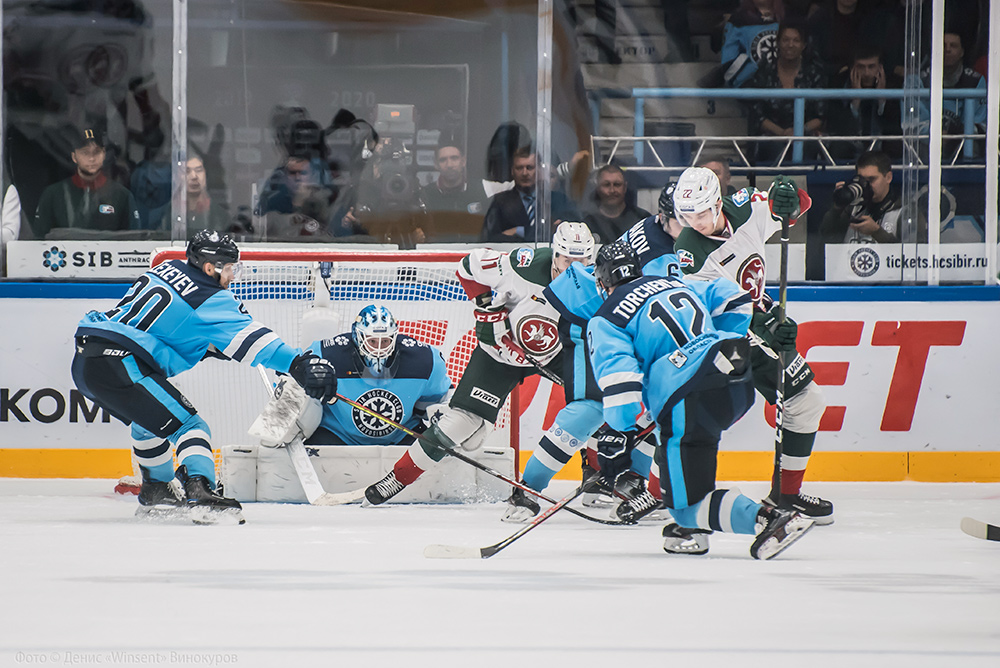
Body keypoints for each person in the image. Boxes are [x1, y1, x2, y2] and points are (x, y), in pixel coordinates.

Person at [70, 230, 338, 524]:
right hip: (121, 361)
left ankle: (157, 488)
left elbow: (170, 326)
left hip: (87, 361)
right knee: (189, 425)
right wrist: (297, 363)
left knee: (148, 423)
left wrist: (210, 346)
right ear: (211, 267)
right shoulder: (210, 296)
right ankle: (200, 489)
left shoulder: (164, 269)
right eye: (230, 268)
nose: (233, 275)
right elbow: (253, 339)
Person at [587, 240, 815, 560]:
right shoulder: (674, 280)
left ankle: (771, 519)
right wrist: (712, 343)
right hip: (734, 372)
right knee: (688, 449)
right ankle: (690, 531)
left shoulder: (606, 317)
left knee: (684, 505)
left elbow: (621, 387)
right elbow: (732, 296)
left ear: (602, 282)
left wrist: (618, 433)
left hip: (689, 396)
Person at [361, 222, 600, 507]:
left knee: (596, 404)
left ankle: (597, 477)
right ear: (554, 253)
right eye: (566, 259)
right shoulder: (521, 266)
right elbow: (468, 265)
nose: (573, 267)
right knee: (460, 423)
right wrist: (487, 306)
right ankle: (396, 479)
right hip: (500, 354)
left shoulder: (596, 286)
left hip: (557, 355)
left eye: (582, 260)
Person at [671, 166, 834, 524]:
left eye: (700, 213)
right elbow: (721, 310)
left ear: (717, 203)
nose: (694, 222)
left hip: (758, 321)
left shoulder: (745, 210)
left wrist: (788, 195)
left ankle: (786, 494)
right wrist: (769, 326)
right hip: (723, 336)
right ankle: (662, 489)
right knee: (693, 416)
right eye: (686, 215)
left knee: (806, 402)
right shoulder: (689, 252)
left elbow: (794, 208)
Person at [304, 305, 452, 446]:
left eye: (385, 341)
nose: (379, 349)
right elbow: (290, 372)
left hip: (402, 436)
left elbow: (436, 403)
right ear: (357, 337)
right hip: (338, 434)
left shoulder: (425, 360)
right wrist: (306, 374)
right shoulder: (327, 354)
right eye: (372, 341)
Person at [33, 127, 140, 238]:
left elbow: (134, 240)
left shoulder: (122, 196)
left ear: (104, 154)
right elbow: (39, 239)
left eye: (96, 152)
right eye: (85, 153)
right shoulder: (53, 194)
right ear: (74, 156)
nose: (92, 158)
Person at [749, 20, 827, 164]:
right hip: (772, 135)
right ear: (778, 43)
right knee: (774, 148)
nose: (790, 45)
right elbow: (757, 114)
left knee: (809, 147)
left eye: (796, 40)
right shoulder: (765, 71)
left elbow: (821, 115)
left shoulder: (814, 73)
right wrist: (782, 133)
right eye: (785, 40)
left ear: (803, 45)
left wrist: (798, 132)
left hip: (806, 134)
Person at [820, 150, 924, 244]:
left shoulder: (906, 211)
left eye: (871, 180)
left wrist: (877, 232)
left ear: (888, 177)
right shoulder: (852, 207)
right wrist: (838, 207)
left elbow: (913, 259)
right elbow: (825, 237)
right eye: (861, 180)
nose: (866, 185)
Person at [480, 147, 579, 243]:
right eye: (519, 168)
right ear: (512, 171)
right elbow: (490, 240)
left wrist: (520, 231)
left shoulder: (557, 199)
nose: (524, 173)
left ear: (539, 170)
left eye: (530, 167)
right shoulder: (500, 202)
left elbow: (575, 230)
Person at [826, 46, 904, 161]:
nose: (867, 73)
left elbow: (893, 125)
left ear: (880, 67)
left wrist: (882, 98)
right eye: (861, 67)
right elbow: (838, 126)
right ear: (852, 68)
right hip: (852, 145)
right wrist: (855, 101)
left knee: (896, 146)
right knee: (839, 148)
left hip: (882, 145)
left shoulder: (893, 84)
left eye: (871, 67)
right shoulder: (839, 83)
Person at [718, 0, 785, 88]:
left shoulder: (786, 17)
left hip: (783, 88)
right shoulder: (738, 20)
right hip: (749, 88)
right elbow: (728, 62)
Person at [581, 164, 651, 244]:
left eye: (617, 184)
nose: (612, 190)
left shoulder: (643, 221)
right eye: (606, 185)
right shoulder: (587, 224)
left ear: (625, 187)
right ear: (598, 188)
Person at [419, 143, 485, 215]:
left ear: (463, 162)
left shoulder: (482, 190)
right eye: (443, 160)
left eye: (454, 158)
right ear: (436, 165)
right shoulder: (425, 195)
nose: (449, 165)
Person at [184, 156, 236, 233]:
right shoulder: (164, 215)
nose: (193, 176)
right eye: (187, 171)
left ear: (206, 175)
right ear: (178, 176)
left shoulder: (222, 217)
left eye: (198, 170)